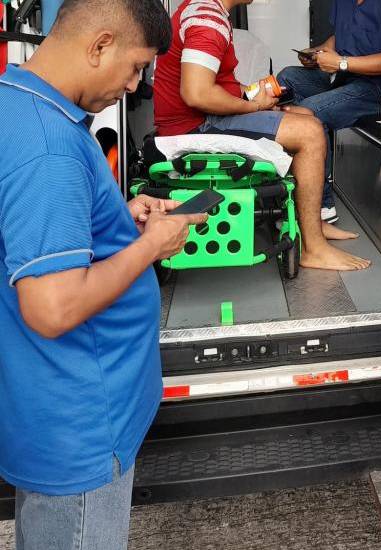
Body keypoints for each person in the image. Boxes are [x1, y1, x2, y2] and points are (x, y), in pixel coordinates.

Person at [0, 1, 209, 548]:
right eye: (137, 66)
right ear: (99, 45)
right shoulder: (51, 150)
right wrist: (152, 246)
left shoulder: (16, 103)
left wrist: (119, 215)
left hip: (52, 409)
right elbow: (53, 307)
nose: (136, 84)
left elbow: (36, 234)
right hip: (81, 427)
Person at [153, 0, 370, 272]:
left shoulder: (204, 10)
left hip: (203, 120)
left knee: (305, 117)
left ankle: (311, 223)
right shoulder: (207, 19)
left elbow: (217, 85)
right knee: (310, 133)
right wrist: (254, 107)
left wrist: (256, 97)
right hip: (196, 127)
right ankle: (314, 249)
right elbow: (197, 94)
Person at [277, 0, 381, 224]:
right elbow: (340, 37)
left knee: (311, 112)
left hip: (379, 88)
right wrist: (317, 54)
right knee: (288, 78)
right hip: (345, 79)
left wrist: (341, 63)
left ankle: (321, 206)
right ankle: (300, 178)